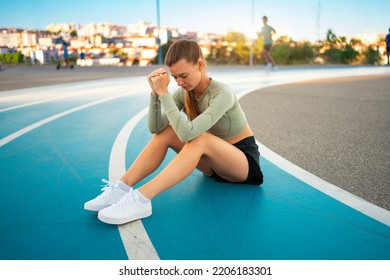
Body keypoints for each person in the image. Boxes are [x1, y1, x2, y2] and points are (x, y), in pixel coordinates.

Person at [84, 39, 264, 225]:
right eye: (175, 77)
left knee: (200, 138)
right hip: (213, 165)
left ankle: (142, 199)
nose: (179, 82)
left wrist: (164, 94)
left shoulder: (222, 93)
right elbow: (156, 128)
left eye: (183, 75)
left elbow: (188, 134)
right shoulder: (185, 93)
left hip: (242, 164)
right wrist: (155, 93)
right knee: (168, 132)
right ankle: (121, 188)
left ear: (200, 65)